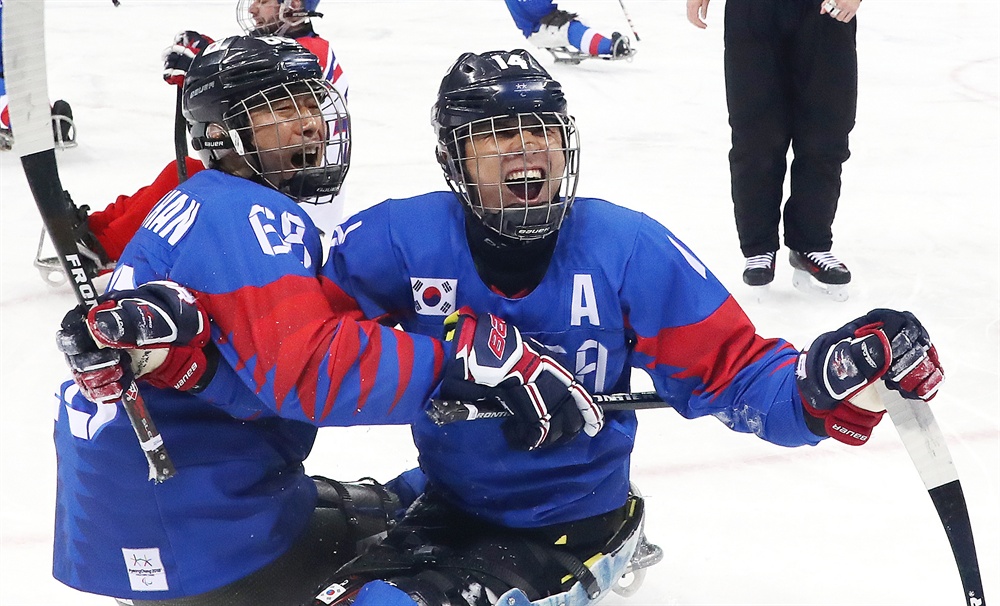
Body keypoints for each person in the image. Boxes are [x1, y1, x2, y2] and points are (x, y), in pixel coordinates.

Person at [304, 49, 943, 605]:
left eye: (542, 131)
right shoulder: (395, 239)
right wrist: (443, 351)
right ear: (456, 158)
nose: (527, 147)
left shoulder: (626, 247)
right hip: (450, 496)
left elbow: (737, 370)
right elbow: (298, 345)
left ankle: (614, 544)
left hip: (565, 522)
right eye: (498, 133)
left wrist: (824, 378)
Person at [52, 35, 593, 606]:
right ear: (220, 136)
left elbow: (249, 380)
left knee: (397, 503)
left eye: (312, 104)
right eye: (282, 109)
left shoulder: (196, 199)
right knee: (444, 553)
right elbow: (309, 371)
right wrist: (470, 363)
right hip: (209, 538)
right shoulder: (246, 213)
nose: (310, 123)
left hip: (148, 521)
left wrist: (196, 370)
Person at [36, 0, 345, 281]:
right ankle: (95, 229)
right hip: (276, 173)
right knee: (184, 169)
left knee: (193, 180)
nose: (252, 9)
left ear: (292, 4)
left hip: (300, 197)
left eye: (263, 1)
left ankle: (102, 247)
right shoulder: (293, 49)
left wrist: (205, 63)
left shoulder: (309, 54)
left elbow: (266, 69)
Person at [686, 0, 860, 300]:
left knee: (826, 133)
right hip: (753, 11)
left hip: (825, 11)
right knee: (757, 135)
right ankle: (759, 247)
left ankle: (812, 242)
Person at [0, 0, 77, 151]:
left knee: (20, 99)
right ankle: (41, 122)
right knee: (18, 100)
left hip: (15, 74)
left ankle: (41, 122)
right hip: (14, 75)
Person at [503, 0, 634, 63]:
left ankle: (599, 44)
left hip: (542, 23)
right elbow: (535, 10)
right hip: (539, 30)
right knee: (572, 29)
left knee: (579, 23)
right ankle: (610, 47)